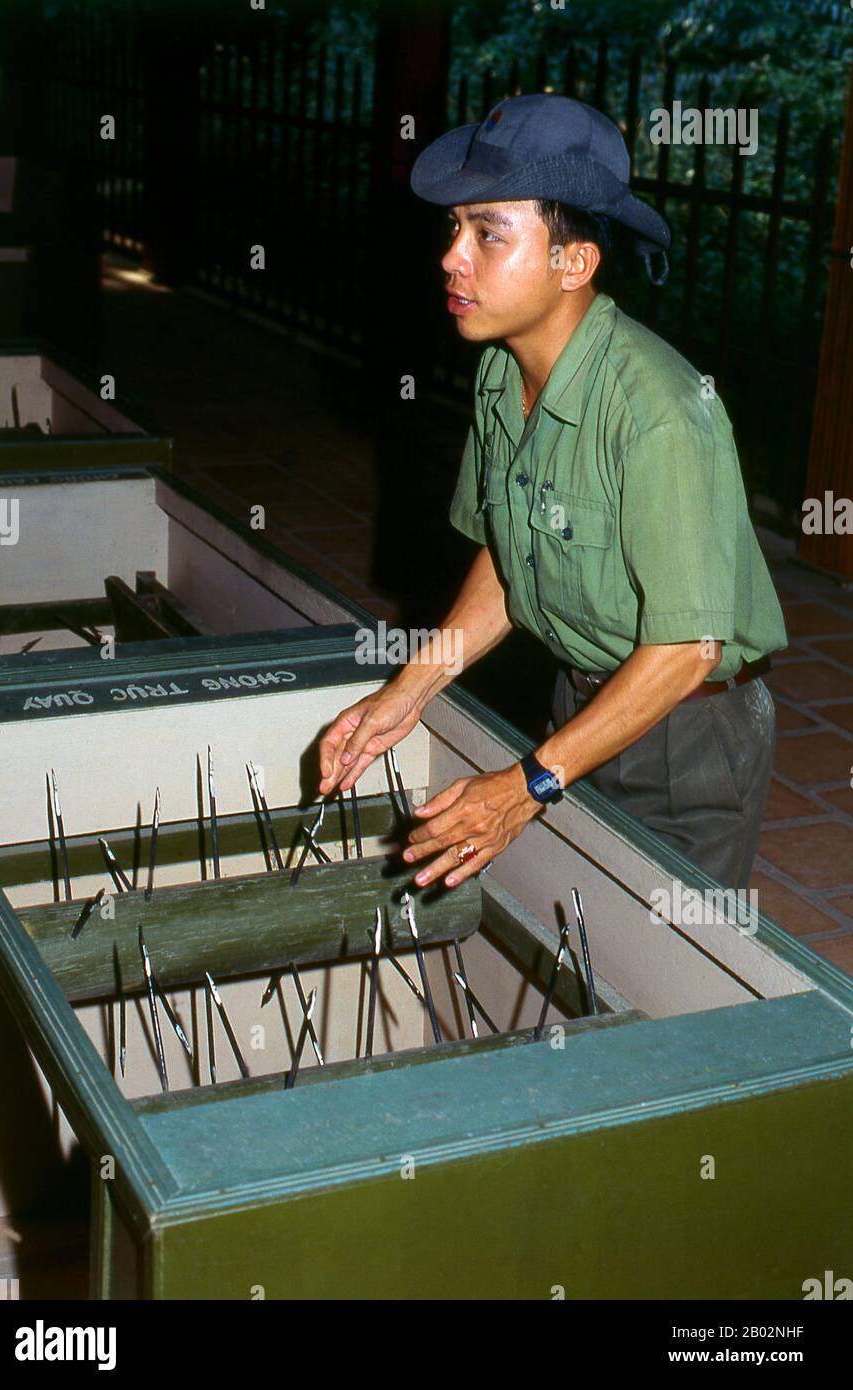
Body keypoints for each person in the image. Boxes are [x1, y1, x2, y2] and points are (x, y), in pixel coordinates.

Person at [318, 94, 787, 893]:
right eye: (455, 229)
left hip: (690, 733)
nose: (452, 256)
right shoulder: (504, 373)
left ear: (574, 263)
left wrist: (526, 785)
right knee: (579, 933)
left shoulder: (661, 417)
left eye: (487, 233)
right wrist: (409, 689)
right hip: (581, 699)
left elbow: (686, 651)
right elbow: (510, 558)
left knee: (669, 982)